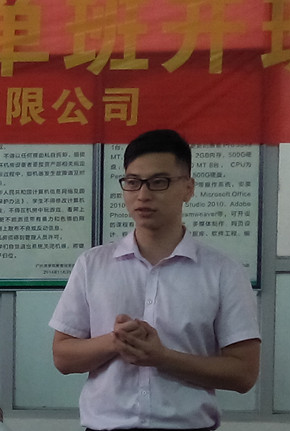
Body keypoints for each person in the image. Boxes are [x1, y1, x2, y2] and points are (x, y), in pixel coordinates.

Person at [49, 129, 261, 431]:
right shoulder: (92, 264)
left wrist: (162, 357)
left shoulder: (223, 271)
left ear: (188, 188)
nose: (143, 195)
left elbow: (243, 374)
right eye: (133, 182)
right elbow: (63, 357)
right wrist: (116, 341)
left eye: (159, 182)